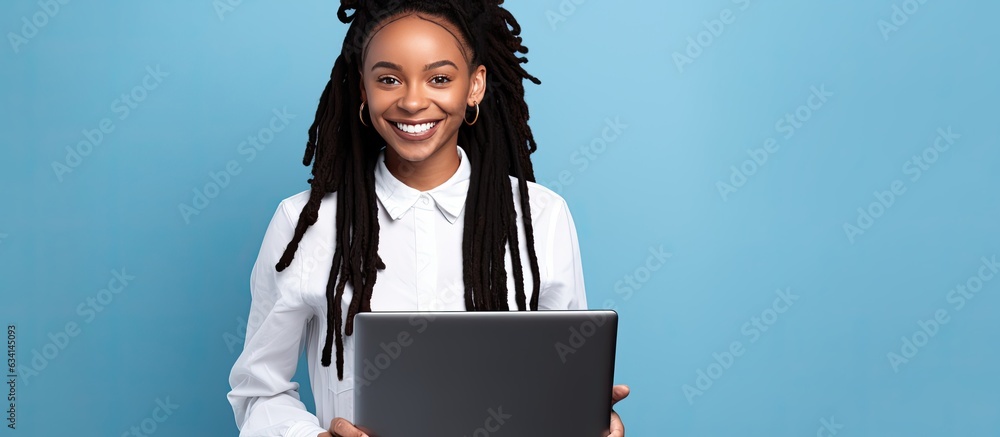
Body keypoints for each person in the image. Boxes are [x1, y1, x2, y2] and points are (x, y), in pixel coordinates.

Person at [227, 1, 630, 436]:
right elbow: (258, 391)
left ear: (474, 86)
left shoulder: (542, 216)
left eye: (439, 78)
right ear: (363, 90)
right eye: (388, 79)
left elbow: (561, 376)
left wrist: (585, 416)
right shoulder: (304, 222)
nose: (413, 101)